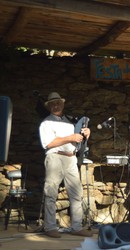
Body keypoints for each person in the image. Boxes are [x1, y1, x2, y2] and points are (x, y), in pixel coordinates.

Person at [39, 92, 92, 238]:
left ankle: (76, 227)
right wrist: (70, 137)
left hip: (71, 158)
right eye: (53, 104)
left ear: (62, 104)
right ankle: (50, 227)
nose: (56, 105)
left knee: (76, 194)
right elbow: (48, 143)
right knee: (51, 193)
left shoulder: (69, 121)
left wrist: (86, 133)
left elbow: (77, 139)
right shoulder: (46, 123)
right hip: (55, 157)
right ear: (49, 106)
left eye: (58, 103)